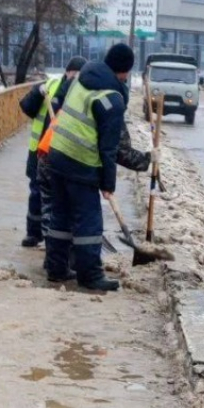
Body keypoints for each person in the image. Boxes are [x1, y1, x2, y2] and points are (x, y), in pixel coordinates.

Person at [45, 43, 136, 291]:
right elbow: (109, 148)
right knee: (89, 223)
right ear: (125, 72)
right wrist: (108, 184)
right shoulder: (111, 99)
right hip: (81, 162)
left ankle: (56, 269)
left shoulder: (82, 77)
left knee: (60, 217)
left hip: (57, 153)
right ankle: (90, 276)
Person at [37, 98, 160, 279]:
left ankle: (56, 262)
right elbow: (120, 152)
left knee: (56, 214)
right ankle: (69, 265)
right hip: (68, 164)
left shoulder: (81, 102)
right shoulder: (111, 111)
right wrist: (148, 159)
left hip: (49, 157)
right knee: (78, 216)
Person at [18, 56, 87, 247]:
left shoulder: (83, 94)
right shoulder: (51, 86)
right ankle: (34, 233)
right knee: (36, 194)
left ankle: (53, 239)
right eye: (74, 74)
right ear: (67, 72)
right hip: (40, 151)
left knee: (57, 200)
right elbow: (26, 107)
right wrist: (38, 94)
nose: (75, 79)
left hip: (63, 154)